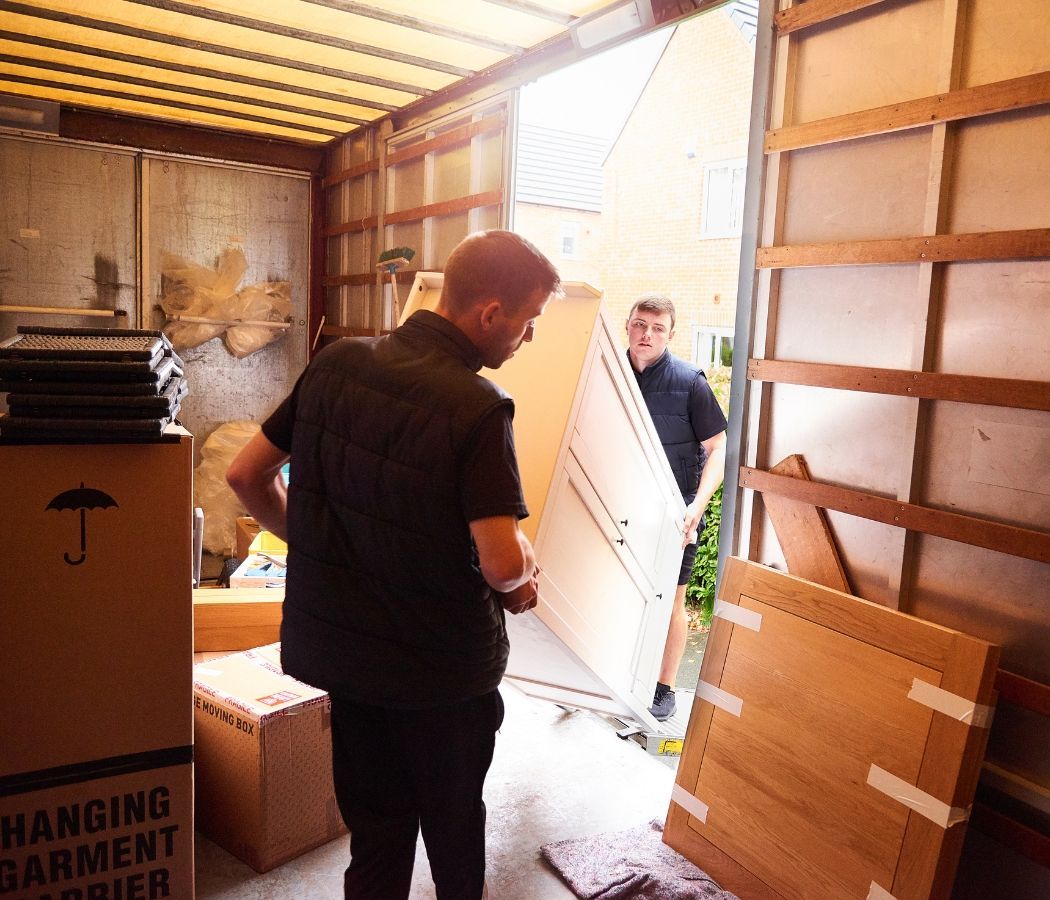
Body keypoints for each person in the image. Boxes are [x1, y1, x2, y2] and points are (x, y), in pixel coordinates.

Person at [226, 229, 561, 900]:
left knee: (376, 836)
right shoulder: (477, 407)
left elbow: (245, 475)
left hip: (348, 662)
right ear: (490, 313)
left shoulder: (336, 363)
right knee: (454, 832)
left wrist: (319, 544)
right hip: (441, 675)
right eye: (528, 323)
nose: (528, 340)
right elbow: (500, 565)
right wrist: (523, 570)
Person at [626, 295, 728, 722]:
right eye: (640, 324)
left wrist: (697, 507)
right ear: (628, 326)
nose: (647, 334)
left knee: (672, 601)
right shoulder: (611, 374)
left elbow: (718, 448)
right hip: (623, 505)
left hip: (676, 514)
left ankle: (664, 688)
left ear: (671, 334)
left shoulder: (690, 382)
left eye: (657, 328)